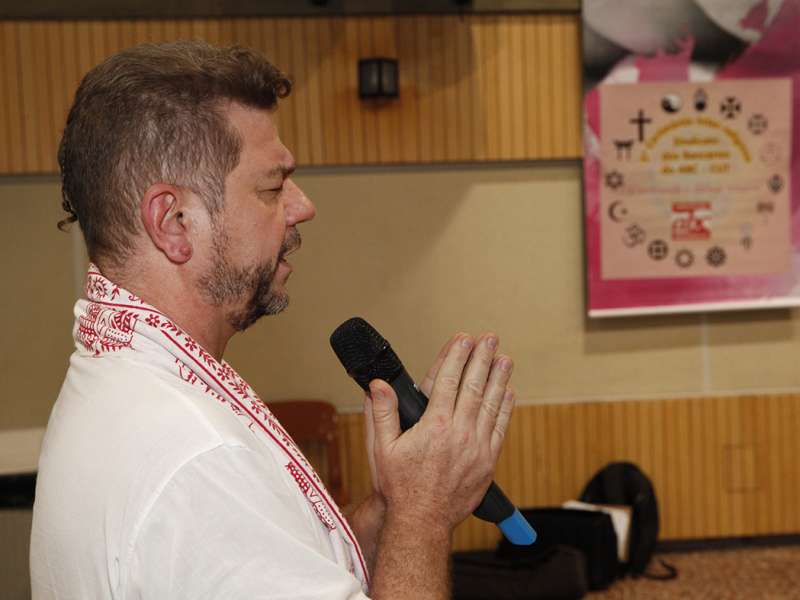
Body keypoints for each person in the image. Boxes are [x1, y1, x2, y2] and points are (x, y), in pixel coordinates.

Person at [30, 40, 516, 599]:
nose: (301, 205)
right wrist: (424, 514)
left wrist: (396, 501)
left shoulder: (126, 379)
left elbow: (281, 567)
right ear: (174, 222)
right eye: (271, 186)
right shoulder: (198, 463)